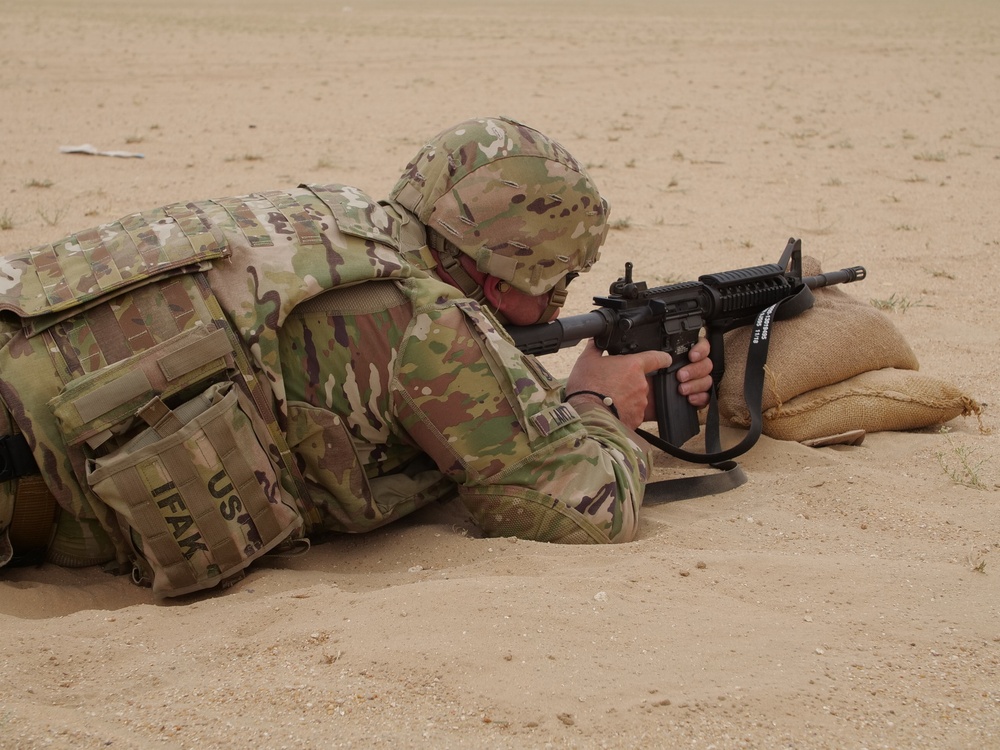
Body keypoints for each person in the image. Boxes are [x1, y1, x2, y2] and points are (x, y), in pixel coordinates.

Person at [0, 116, 712, 596]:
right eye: (553, 286)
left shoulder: (329, 219)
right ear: (498, 278)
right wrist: (595, 400)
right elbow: (587, 510)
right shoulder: (430, 323)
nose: (557, 307)